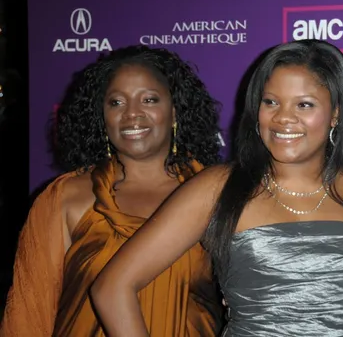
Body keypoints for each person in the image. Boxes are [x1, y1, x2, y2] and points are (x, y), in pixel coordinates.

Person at [90, 39, 343, 336]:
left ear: (336, 113)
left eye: (304, 104)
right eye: (270, 102)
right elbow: (112, 287)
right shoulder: (219, 187)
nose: (283, 117)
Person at [0, 45, 225, 336]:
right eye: (116, 102)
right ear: (101, 117)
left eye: (149, 99)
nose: (132, 114)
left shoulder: (215, 195)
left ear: (175, 111)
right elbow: (28, 313)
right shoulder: (67, 197)